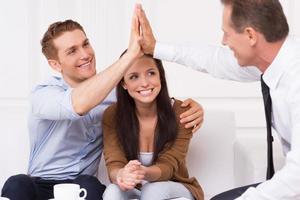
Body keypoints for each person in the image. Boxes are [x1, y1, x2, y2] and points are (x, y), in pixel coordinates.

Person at [1, 7, 203, 200]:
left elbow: (148, 92)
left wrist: (191, 107)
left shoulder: (115, 95)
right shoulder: (43, 95)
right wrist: (131, 54)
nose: (85, 54)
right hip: (40, 183)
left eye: (85, 44)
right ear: (55, 64)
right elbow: (78, 104)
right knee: (16, 183)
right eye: (72, 51)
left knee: (93, 187)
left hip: (83, 184)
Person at [135, 0, 300, 199]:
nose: (224, 41)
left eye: (227, 33)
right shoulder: (273, 61)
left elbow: (297, 176)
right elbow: (215, 60)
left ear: (250, 35)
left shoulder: (296, 79)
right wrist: (156, 48)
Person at [101, 51, 204, 200]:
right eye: (134, 77)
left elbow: (168, 166)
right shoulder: (112, 115)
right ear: (124, 83)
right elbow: (114, 163)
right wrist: (121, 174)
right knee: (112, 191)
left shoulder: (182, 112)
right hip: (137, 190)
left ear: (160, 76)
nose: (144, 83)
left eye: (151, 73)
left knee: (152, 190)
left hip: (174, 188)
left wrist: (143, 172)